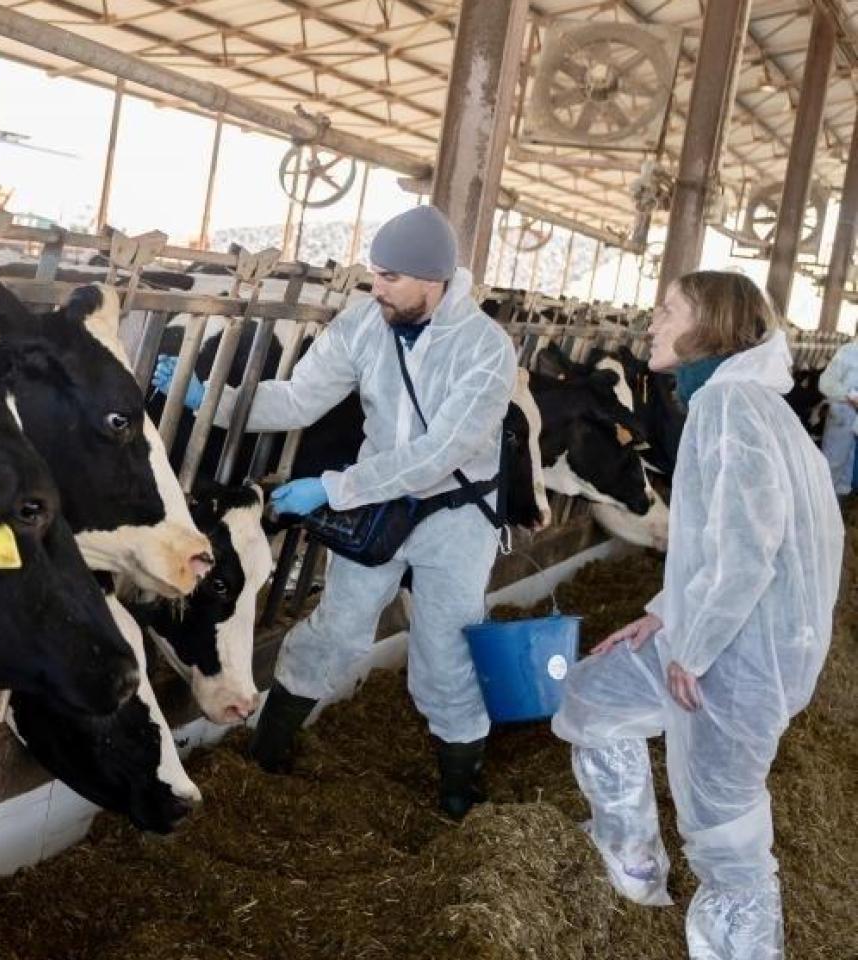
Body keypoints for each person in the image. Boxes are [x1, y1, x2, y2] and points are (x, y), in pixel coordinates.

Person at [152, 206, 517, 818]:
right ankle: (265, 756)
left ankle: (460, 795)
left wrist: (332, 488)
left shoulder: (485, 348)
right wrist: (214, 400)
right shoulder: (365, 323)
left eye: (390, 277)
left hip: (456, 516)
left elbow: (440, 454)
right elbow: (299, 399)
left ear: (433, 280)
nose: (377, 288)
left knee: (446, 652)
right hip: (374, 508)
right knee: (335, 630)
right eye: (375, 273)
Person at [552, 272, 843, 960]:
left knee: (725, 831)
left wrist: (695, 647)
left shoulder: (731, 406)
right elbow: (721, 542)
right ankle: (633, 862)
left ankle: (745, 948)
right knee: (595, 694)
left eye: (669, 310)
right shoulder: (733, 400)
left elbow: (747, 549)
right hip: (718, 629)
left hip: (739, 654)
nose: (652, 323)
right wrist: (664, 615)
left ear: (709, 326)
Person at [818, 338, 858, 496]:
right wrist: (850, 396)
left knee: (847, 473)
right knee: (831, 468)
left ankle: (836, 506)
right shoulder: (849, 351)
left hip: (854, 423)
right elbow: (825, 383)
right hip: (842, 416)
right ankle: (821, 504)